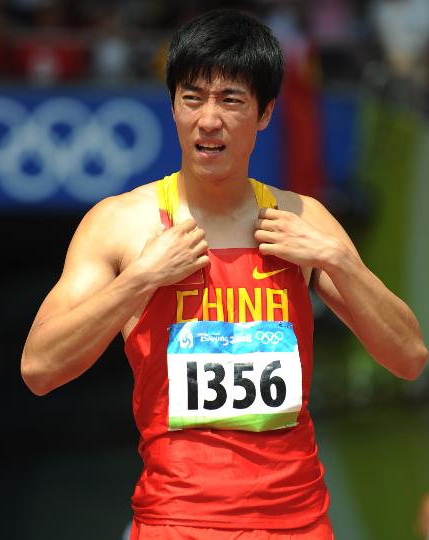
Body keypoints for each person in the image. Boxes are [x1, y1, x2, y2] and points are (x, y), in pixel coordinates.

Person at [21, 9, 428, 540]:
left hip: (298, 525)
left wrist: (338, 260)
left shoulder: (302, 220)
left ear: (264, 113)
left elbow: (409, 357)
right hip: (177, 523)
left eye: (231, 100)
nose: (208, 119)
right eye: (192, 98)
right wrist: (139, 281)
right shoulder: (123, 224)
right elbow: (39, 368)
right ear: (173, 107)